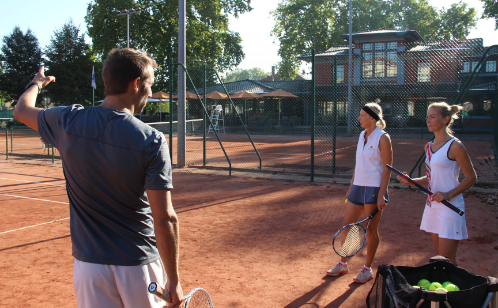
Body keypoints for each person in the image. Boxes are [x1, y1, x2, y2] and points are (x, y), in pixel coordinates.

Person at [14, 48, 183, 308]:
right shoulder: (151, 140)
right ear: (136, 84)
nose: (149, 93)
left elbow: (22, 110)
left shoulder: (67, 121)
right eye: (149, 85)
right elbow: (164, 218)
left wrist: (36, 83)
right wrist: (173, 279)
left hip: (88, 268)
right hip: (138, 266)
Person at [397, 102, 477, 265]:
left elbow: (471, 178)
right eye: (427, 117)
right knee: (440, 258)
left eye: (433, 117)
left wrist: (448, 194)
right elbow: (430, 179)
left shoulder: (455, 146)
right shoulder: (428, 147)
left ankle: (454, 291)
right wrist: (412, 181)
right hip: (432, 206)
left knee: (448, 261)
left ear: (446, 119)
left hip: (451, 207)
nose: (428, 120)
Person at [327, 103, 393, 284]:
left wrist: (381, 194)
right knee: (347, 226)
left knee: (371, 230)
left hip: (374, 188)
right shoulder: (361, 135)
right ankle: (343, 263)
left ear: (372, 118)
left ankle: (367, 269)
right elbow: (359, 165)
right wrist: (351, 188)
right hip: (358, 186)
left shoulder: (383, 138)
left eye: (362, 115)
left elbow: (387, 169)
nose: (359, 118)